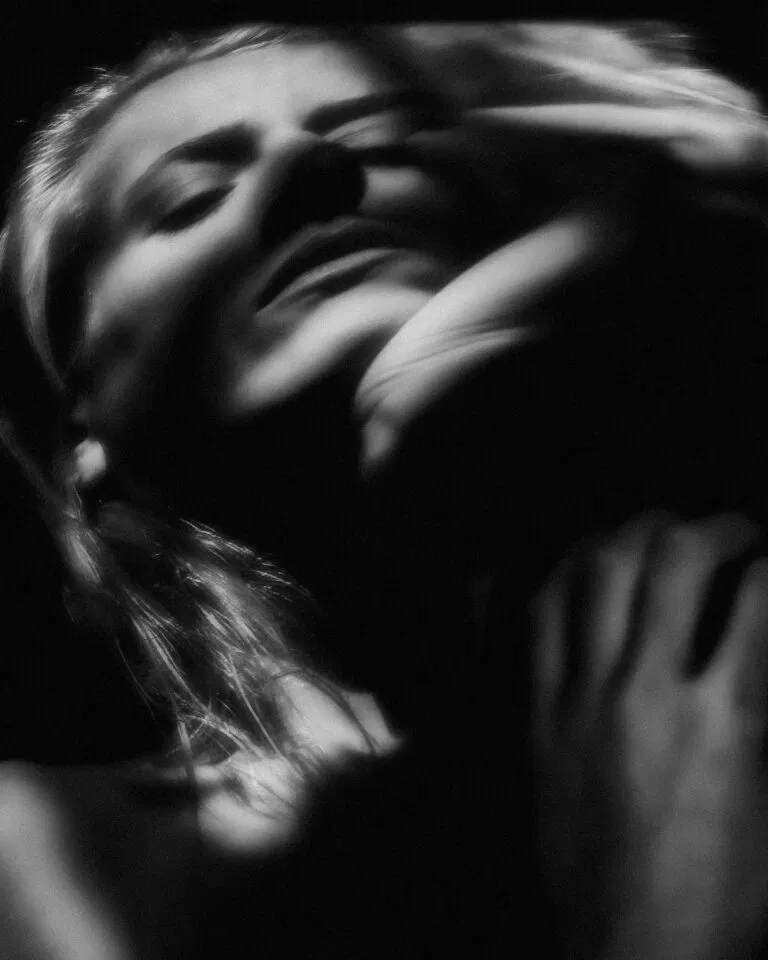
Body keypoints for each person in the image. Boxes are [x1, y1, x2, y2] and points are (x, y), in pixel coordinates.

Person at [2, 18, 768, 958]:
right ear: (81, 425)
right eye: (191, 197)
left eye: (385, 143)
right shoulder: (41, 860)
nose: (312, 164)